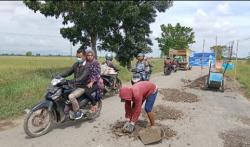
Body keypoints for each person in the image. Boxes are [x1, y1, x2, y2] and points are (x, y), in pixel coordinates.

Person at [59, 48, 89, 120]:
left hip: (82, 86)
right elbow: (68, 72)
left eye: (79, 57)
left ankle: (77, 112)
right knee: (61, 91)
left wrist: (70, 81)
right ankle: (66, 110)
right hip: (74, 85)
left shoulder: (87, 66)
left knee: (71, 96)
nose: (78, 58)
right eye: (77, 57)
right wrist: (59, 76)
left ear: (84, 56)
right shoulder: (76, 64)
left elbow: (82, 78)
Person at [85, 49, 102, 113]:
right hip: (85, 82)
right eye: (88, 55)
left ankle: (94, 104)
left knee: (86, 92)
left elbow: (97, 74)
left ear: (93, 56)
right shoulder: (86, 63)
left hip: (95, 83)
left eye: (90, 55)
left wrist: (92, 82)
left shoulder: (95, 62)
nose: (89, 56)